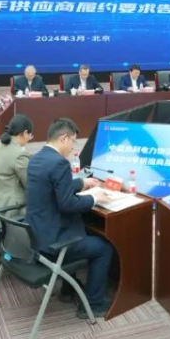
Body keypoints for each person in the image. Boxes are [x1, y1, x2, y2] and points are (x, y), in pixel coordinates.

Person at [26, 118, 111, 319]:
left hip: (38, 236)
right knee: (104, 248)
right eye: (73, 141)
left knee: (82, 227)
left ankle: (67, 289)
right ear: (64, 138)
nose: (73, 147)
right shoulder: (59, 163)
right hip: (55, 243)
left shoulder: (37, 158)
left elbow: (52, 187)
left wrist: (81, 183)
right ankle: (93, 304)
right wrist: (95, 198)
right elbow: (67, 204)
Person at [0, 115, 33, 226]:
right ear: (25, 133)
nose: (30, 138)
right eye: (30, 135)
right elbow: (30, 185)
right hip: (10, 210)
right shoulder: (20, 154)